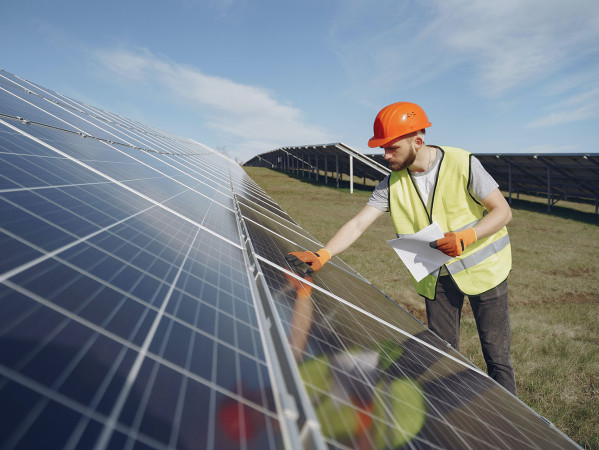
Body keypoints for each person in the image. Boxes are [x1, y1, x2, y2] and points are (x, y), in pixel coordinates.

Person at [286, 102, 517, 395]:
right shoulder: (391, 183)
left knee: (497, 357)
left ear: (417, 141)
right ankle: (448, 417)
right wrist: (324, 254)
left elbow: (502, 211)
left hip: (485, 271)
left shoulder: (462, 163)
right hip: (436, 276)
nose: (385, 155)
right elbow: (359, 224)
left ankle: (515, 424)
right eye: (383, 148)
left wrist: (467, 236)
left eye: (391, 148)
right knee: (441, 353)